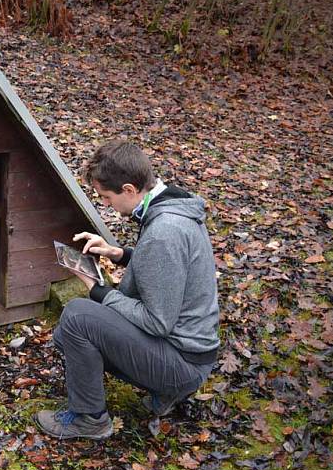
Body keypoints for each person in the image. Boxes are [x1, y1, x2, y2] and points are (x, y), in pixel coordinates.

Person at [35, 139, 220, 439]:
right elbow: (169, 271)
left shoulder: (164, 231)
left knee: (78, 317)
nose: (105, 204)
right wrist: (118, 254)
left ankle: (89, 419)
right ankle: (162, 392)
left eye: (106, 197)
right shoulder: (172, 206)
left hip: (183, 363)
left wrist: (99, 290)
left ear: (130, 190)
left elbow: (157, 322)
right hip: (192, 354)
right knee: (66, 335)